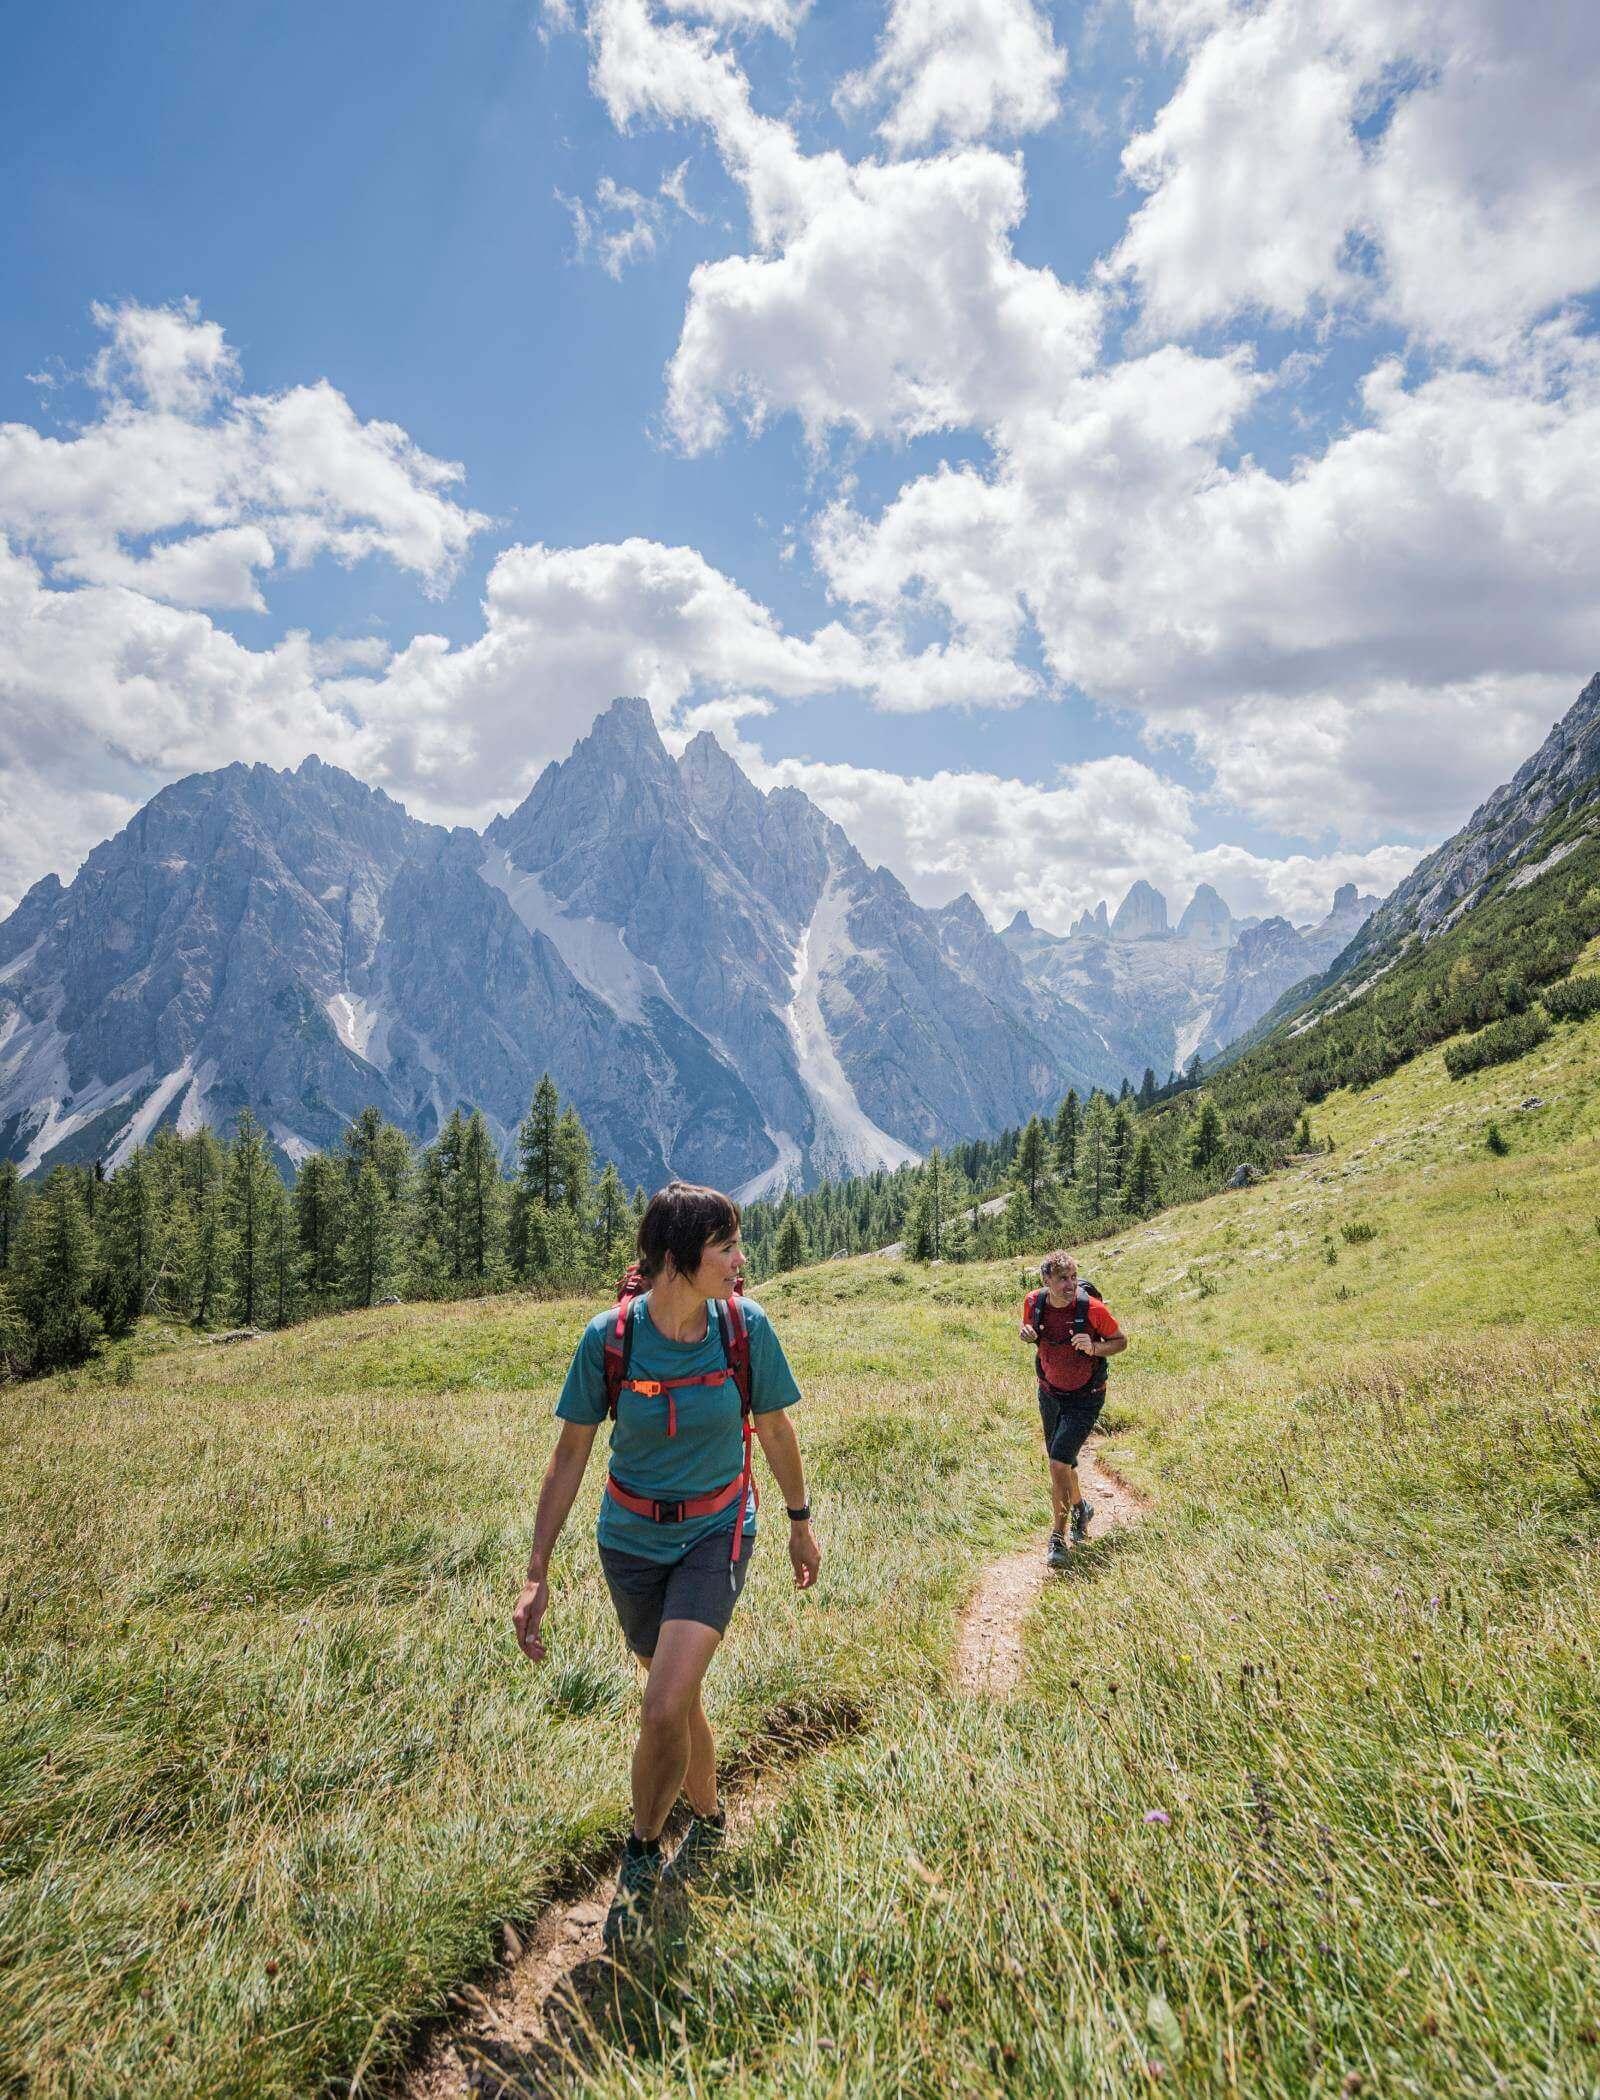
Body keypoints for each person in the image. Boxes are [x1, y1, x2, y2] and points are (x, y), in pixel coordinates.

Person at [512, 1182, 820, 1950]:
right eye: (726, 1247)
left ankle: (643, 1850)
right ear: (679, 1257)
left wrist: (799, 1522)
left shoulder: (744, 1327)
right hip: (630, 1544)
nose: (741, 1261)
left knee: (661, 1706)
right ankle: (709, 1817)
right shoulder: (609, 1340)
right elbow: (568, 1456)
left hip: (719, 1532)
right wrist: (536, 1571)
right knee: (675, 1702)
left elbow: (775, 1430)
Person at [1019, 1250, 1126, 1569]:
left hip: (1086, 1396)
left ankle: (1057, 1538)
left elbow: (1120, 1341)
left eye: (1074, 1277)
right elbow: (1031, 1331)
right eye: (1062, 1279)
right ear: (1046, 1280)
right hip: (1049, 1393)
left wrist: (1094, 1347)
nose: (1070, 1284)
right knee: (1062, 1464)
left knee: (1057, 1464)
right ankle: (1082, 1508)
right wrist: (1026, 1334)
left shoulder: (1092, 1309)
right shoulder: (1034, 1303)